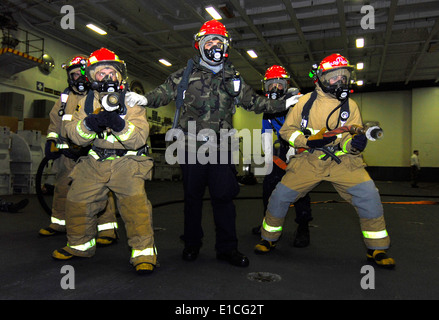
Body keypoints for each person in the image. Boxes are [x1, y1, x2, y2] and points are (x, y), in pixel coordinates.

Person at [127, 20, 299, 267]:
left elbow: (255, 103)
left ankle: (227, 249)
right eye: (210, 41)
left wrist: (285, 103)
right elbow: (162, 93)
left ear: (226, 46)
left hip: (221, 150)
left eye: (219, 41)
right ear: (200, 46)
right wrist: (143, 98)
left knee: (224, 199)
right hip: (190, 148)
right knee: (192, 199)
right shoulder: (185, 74)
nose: (215, 46)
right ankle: (192, 244)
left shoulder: (233, 77)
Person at [254, 53, 395, 269]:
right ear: (320, 78)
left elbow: (347, 139)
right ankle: (268, 238)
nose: (340, 82)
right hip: (308, 161)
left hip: (343, 162)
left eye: (344, 77)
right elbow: (286, 131)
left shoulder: (351, 105)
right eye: (334, 77)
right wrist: (308, 142)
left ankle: (376, 248)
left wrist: (354, 146)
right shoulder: (304, 102)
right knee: (279, 196)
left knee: (369, 195)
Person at [52, 48, 157, 275]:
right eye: (101, 73)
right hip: (95, 160)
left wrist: (120, 125)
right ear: (91, 77)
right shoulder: (85, 101)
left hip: (128, 162)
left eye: (111, 71)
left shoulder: (131, 101)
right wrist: (91, 123)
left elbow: (139, 137)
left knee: (135, 205)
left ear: (120, 75)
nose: (107, 76)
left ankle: (143, 253)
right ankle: (80, 246)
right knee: (78, 199)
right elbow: (75, 134)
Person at [38, 55, 119, 246]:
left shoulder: (98, 96)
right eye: (73, 75)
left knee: (100, 191)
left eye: (80, 74)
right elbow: (55, 122)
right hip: (67, 155)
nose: (78, 79)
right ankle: (60, 222)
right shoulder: (65, 97)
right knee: (62, 187)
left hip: (93, 155)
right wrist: (51, 141)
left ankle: (107, 228)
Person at [253, 65, 313, 250]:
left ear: (286, 85)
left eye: (279, 84)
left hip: (301, 149)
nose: (275, 89)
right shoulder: (269, 109)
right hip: (281, 149)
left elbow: (309, 129)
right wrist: (271, 158)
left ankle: (303, 227)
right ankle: (268, 223)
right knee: (269, 187)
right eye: (271, 85)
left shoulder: (299, 103)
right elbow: (265, 134)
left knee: (300, 190)